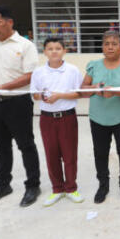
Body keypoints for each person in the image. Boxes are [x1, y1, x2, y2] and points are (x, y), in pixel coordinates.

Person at [0, 5, 41, 207]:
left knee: (26, 145)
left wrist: (1, 87)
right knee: (0, 146)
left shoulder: (25, 45)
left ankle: (32, 185)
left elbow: (30, 75)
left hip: (17, 103)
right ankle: (2, 185)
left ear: (9, 22)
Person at [81, 31, 120, 204]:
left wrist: (113, 90)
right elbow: (83, 89)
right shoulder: (93, 66)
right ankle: (103, 185)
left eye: (114, 43)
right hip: (98, 118)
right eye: (106, 43)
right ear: (102, 47)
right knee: (100, 153)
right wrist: (95, 88)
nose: (110, 47)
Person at [30, 37, 84, 207]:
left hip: (67, 117)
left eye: (58, 48)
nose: (54, 51)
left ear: (64, 51)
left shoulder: (72, 70)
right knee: (51, 154)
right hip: (47, 118)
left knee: (69, 155)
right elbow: (35, 94)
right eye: (50, 48)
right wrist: (43, 96)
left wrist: (59, 95)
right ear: (45, 52)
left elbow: (78, 93)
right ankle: (57, 188)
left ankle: (71, 188)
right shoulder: (38, 72)